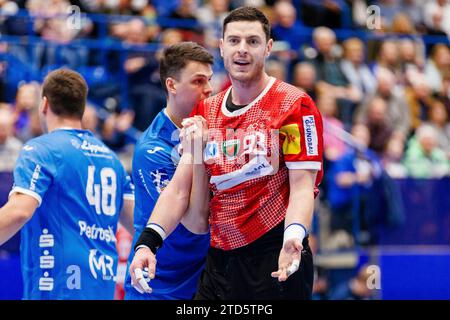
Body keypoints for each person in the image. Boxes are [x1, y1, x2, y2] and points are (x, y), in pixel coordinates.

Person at [130, 6, 324, 300]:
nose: (242, 50)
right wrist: (148, 243)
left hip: (274, 254)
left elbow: (302, 187)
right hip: (220, 261)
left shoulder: (295, 105)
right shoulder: (205, 111)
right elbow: (178, 189)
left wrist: (294, 236)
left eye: (252, 41)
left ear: (268, 47)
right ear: (222, 47)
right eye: (234, 41)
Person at [0, 69, 135, 300]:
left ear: (44, 104)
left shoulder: (40, 149)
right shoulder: (111, 159)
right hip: (102, 289)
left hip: (57, 288)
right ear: (82, 108)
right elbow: (138, 223)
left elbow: (20, 211)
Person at [124, 42, 214, 300]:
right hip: (158, 286)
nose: (208, 89)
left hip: (203, 282)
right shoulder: (152, 149)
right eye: (198, 81)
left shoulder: (213, 129)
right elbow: (192, 221)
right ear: (172, 85)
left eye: (209, 80)